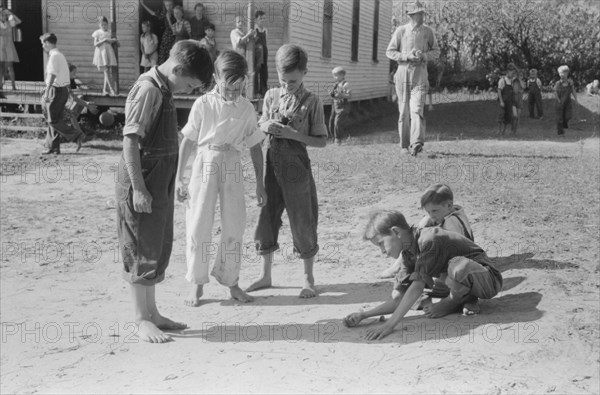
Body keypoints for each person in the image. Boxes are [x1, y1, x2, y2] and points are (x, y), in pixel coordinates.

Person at [115, 40, 213, 343]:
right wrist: (139, 189)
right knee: (139, 245)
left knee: (154, 246)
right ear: (179, 69)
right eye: (189, 84)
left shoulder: (164, 89)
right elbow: (130, 141)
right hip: (142, 179)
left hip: (160, 180)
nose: (188, 90)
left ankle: (153, 312)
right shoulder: (148, 90)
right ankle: (140, 319)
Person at [176, 51, 267, 307]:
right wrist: (178, 179)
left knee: (234, 224)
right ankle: (197, 283)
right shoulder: (203, 104)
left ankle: (231, 282)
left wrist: (260, 182)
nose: (233, 93)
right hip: (205, 163)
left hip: (232, 165)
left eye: (239, 87)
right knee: (198, 222)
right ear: (216, 77)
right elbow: (188, 141)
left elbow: (255, 146)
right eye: (229, 87)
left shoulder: (247, 108)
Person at [245, 44, 327, 299]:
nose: (287, 84)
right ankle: (265, 274)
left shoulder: (313, 101)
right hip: (272, 165)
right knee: (266, 217)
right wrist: (265, 124)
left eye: (292, 80)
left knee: (302, 219)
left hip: (297, 168)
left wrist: (294, 134)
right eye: (283, 79)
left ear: (304, 73)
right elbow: (259, 126)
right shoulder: (271, 96)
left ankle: (307, 277)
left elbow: (322, 140)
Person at [343, 210, 503, 340]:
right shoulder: (407, 254)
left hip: (487, 279)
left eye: (381, 244)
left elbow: (417, 287)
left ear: (395, 232)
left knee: (455, 267)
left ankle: (452, 302)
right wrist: (364, 315)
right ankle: (467, 299)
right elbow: (398, 299)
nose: (383, 252)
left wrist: (389, 325)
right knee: (412, 297)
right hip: (458, 282)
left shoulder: (428, 240)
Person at [380, 183, 474, 282]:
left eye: (434, 211)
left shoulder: (452, 223)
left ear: (449, 205)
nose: (431, 215)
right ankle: (399, 265)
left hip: (459, 263)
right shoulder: (450, 212)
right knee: (424, 222)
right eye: (428, 211)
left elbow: (454, 251)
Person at [386, 1, 439, 156]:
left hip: (420, 74)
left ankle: (417, 144)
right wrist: (406, 56)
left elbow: (436, 51)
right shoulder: (401, 31)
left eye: (423, 13)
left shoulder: (428, 32)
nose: (422, 15)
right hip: (402, 73)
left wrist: (424, 55)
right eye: (419, 13)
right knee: (404, 111)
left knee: (417, 109)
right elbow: (390, 52)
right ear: (411, 15)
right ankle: (404, 145)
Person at [40, 33, 84, 155]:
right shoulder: (60, 55)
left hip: (56, 90)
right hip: (62, 90)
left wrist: (47, 90)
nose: (43, 46)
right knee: (54, 119)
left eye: (43, 43)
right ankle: (52, 147)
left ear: (48, 43)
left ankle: (76, 135)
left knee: (52, 119)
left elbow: (52, 74)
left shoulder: (54, 56)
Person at [140, 0, 176, 65]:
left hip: (174, 36)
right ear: (165, 6)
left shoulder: (175, 13)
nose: (169, 7)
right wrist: (143, 4)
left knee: (171, 55)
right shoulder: (164, 13)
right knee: (163, 55)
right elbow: (153, 13)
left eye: (170, 5)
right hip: (166, 36)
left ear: (173, 5)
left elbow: (173, 29)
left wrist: (168, 18)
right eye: (167, 5)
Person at [92, 16, 118, 96]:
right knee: (106, 71)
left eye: (106, 24)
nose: (104, 26)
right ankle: (111, 89)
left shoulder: (109, 32)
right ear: (99, 25)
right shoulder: (98, 32)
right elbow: (95, 44)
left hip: (108, 51)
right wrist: (104, 40)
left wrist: (113, 41)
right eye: (102, 25)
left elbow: (114, 41)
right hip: (101, 52)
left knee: (107, 71)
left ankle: (104, 90)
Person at [328, 66, 351, 144]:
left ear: (342, 75)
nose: (334, 77)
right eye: (333, 75)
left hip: (342, 105)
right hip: (334, 105)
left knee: (337, 122)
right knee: (331, 121)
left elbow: (349, 95)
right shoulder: (336, 84)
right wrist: (331, 94)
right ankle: (333, 137)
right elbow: (334, 94)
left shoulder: (345, 84)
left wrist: (341, 94)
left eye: (336, 75)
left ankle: (338, 139)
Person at [0, 7, 21, 94]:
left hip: (8, 45)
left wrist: (10, 13)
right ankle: (0, 85)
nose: (3, 16)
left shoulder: (9, 22)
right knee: (1, 67)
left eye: (5, 15)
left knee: (10, 66)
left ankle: (13, 85)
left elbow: (18, 21)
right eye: (2, 14)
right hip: (0, 45)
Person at [554, 65, 578, 136]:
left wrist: (576, 99)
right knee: (559, 118)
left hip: (567, 103)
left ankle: (565, 123)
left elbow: (573, 91)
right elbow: (555, 92)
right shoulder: (558, 83)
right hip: (559, 103)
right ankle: (560, 132)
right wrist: (558, 100)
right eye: (560, 73)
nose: (561, 75)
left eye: (563, 73)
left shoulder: (570, 83)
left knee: (568, 116)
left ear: (567, 73)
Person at [497, 63, 517, 136]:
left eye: (513, 72)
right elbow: (499, 91)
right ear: (507, 71)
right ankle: (499, 130)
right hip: (503, 101)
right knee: (501, 115)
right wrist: (501, 101)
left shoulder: (512, 81)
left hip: (510, 101)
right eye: (512, 72)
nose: (513, 74)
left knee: (508, 116)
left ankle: (504, 131)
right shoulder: (502, 80)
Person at [253, 10, 268, 98]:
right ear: (256, 20)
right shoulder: (254, 29)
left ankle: (263, 90)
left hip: (264, 50)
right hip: (257, 52)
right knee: (256, 70)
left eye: (264, 19)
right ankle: (256, 91)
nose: (262, 20)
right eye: (260, 18)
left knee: (264, 71)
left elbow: (266, 42)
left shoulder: (266, 30)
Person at [512, 69, 524, 134]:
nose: (520, 76)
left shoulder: (522, 82)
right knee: (514, 116)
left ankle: (515, 130)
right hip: (513, 100)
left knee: (518, 116)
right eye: (519, 75)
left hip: (519, 101)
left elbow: (523, 86)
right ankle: (512, 129)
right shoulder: (513, 81)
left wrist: (519, 79)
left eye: (521, 75)